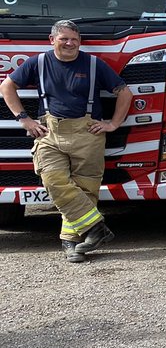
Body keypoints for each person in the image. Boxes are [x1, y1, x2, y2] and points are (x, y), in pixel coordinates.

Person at [1, 20, 132, 263]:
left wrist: (113, 124)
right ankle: (96, 228)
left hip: (88, 135)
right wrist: (25, 120)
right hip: (49, 133)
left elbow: (124, 93)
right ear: (52, 41)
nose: (70, 43)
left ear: (80, 41)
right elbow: (7, 86)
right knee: (53, 180)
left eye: (74, 39)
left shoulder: (94, 64)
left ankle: (73, 243)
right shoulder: (38, 63)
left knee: (85, 190)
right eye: (64, 39)